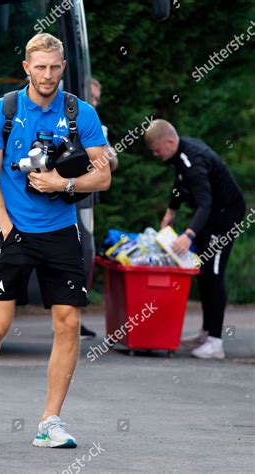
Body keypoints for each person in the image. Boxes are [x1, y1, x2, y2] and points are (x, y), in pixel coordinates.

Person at [0, 33, 110, 448]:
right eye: (40, 67)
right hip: (14, 230)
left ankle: (50, 421)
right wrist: (4, 225)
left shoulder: (80, 112)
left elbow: (103, 175)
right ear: (27, 68)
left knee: (69, 322)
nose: (48, 75)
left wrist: (63, 181)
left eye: (55, 67)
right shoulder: (0, 111)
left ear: (62, 67)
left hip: (61, 230)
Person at [144, 119, 246, 359]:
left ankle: (215, 342)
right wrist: (171, 211)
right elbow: (179, 184)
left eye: (157, 150)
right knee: (203, 272)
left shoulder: (194, 160)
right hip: (211, 217)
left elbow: (205, 202)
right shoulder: (180, 155)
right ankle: (206, 332)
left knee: (214, 273)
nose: (156, 155)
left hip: (225, 217)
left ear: (169, 142)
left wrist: (189, 234)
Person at [77, 78, 119, 340]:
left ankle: (74, 318)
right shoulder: (71, 116)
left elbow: (111, 164)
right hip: (66, 197)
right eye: (91, 96)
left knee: (85, 256)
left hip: (84, 197)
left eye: (97, 99)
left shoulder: (95, 124)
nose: (94, 102)